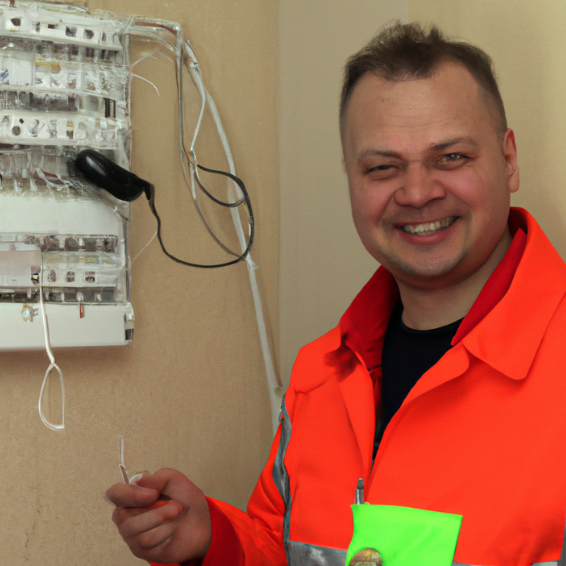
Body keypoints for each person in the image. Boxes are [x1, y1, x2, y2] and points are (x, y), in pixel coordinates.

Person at [106, 22, 566, 566]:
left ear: (509, 159)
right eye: (383, 167)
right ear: (351, 177)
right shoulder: (319, 378)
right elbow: (284, 548)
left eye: (451, 158)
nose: (417, 192)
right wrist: (214, 540)